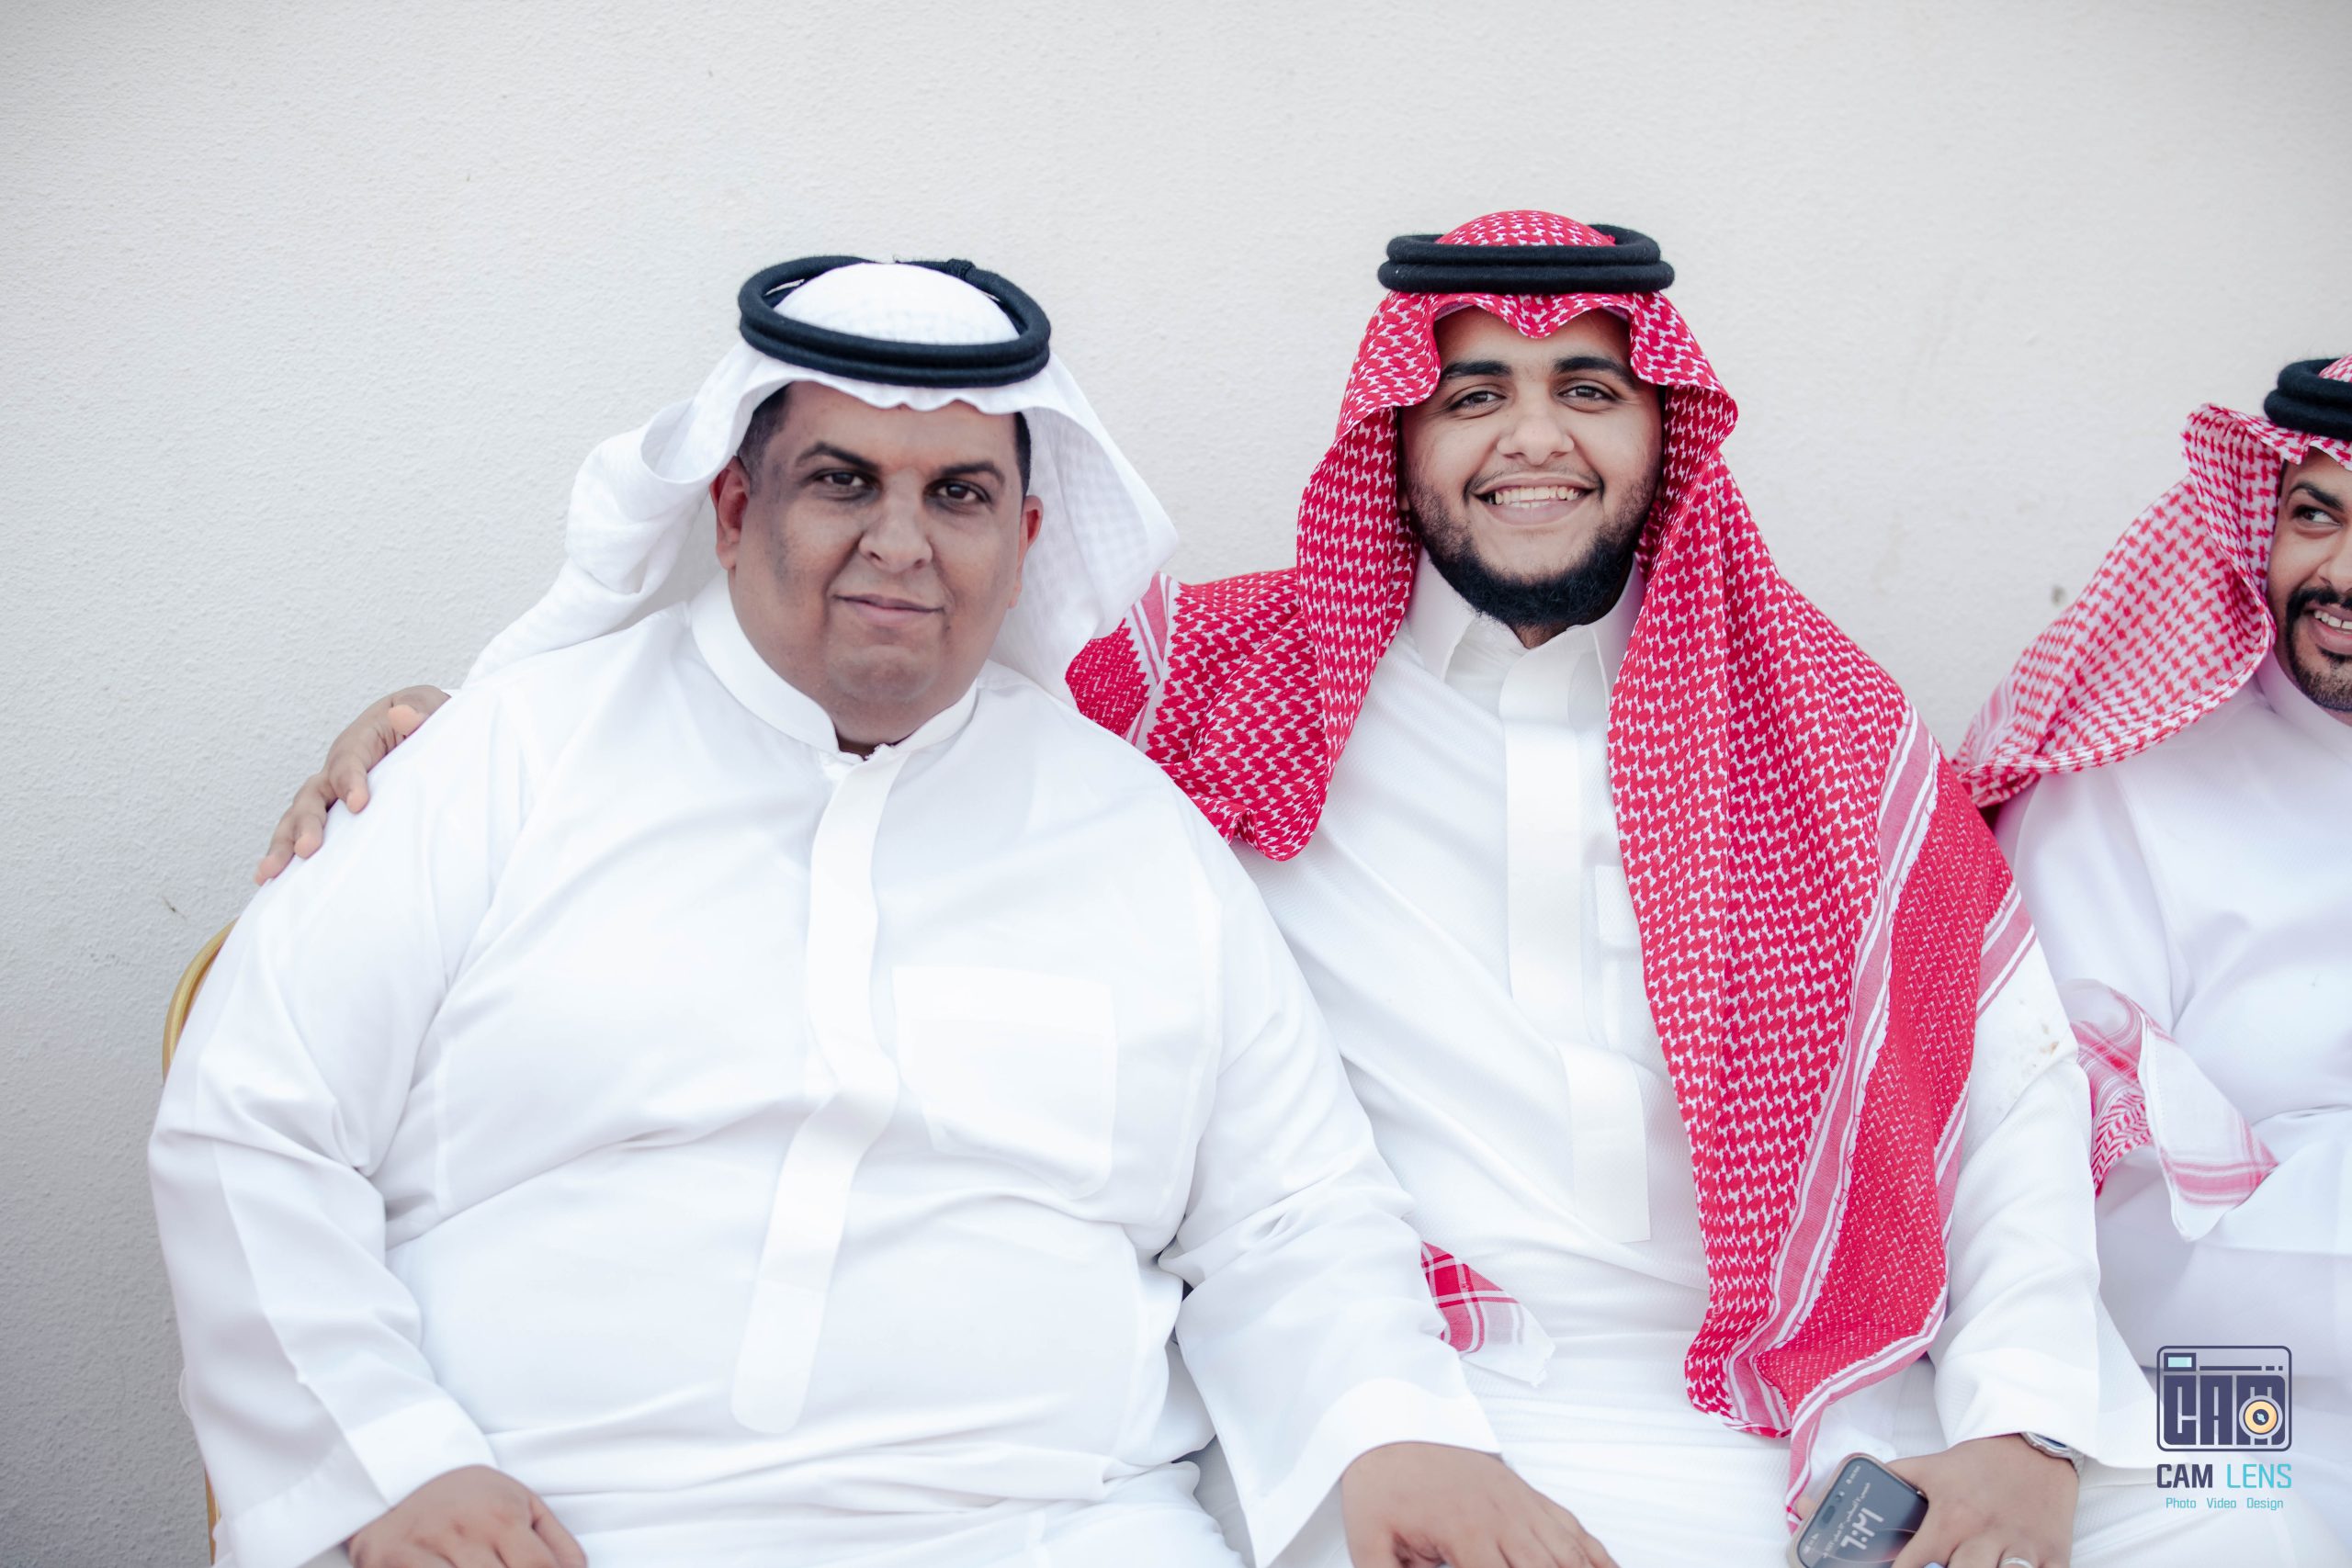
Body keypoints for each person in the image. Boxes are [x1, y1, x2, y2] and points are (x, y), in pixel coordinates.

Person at [259, 216, 2336, 1566]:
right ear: (1395, 437)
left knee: (2246, 1528)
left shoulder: (1824, 722)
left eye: (1587, 389)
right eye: (1474, 390)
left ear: (1664, 432)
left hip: (1809, 1386)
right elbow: (864, 690)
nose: (1531, 439)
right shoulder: (1204, 696)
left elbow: (2003, 1095)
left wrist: (2025, 1426)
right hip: (1431, 1393)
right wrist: (470, 714)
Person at [158, 256, 1607, 1568]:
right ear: (736, 509)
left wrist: (1390, 1425)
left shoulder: (1137, 833)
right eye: (843, 481)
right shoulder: (499, 762)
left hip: (1060, 1534)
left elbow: (1294, 1209)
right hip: (546, 1521)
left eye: (958, 495)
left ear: (1024, 536)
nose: (902, 543)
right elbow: (255, 1123)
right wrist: (390, 1468)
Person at [1963, 355, 2352, 1539]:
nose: (2341, 574)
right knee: (2247, 1536)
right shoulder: (2122, 784)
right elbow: (2091, 1200)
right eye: (2316, 515)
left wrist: (2292, 1159)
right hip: (2208, 1385)